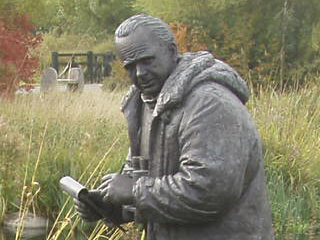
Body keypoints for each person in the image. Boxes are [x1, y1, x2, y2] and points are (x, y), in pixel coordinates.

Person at [74, 14, 274, 240]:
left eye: (147, 60)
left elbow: (209, 192)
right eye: (130, 66)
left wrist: (134, 191)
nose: (139, 73)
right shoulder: (146, 104)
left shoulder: (210, 103)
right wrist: (111, 206)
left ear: (171, 50)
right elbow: (146, 182)